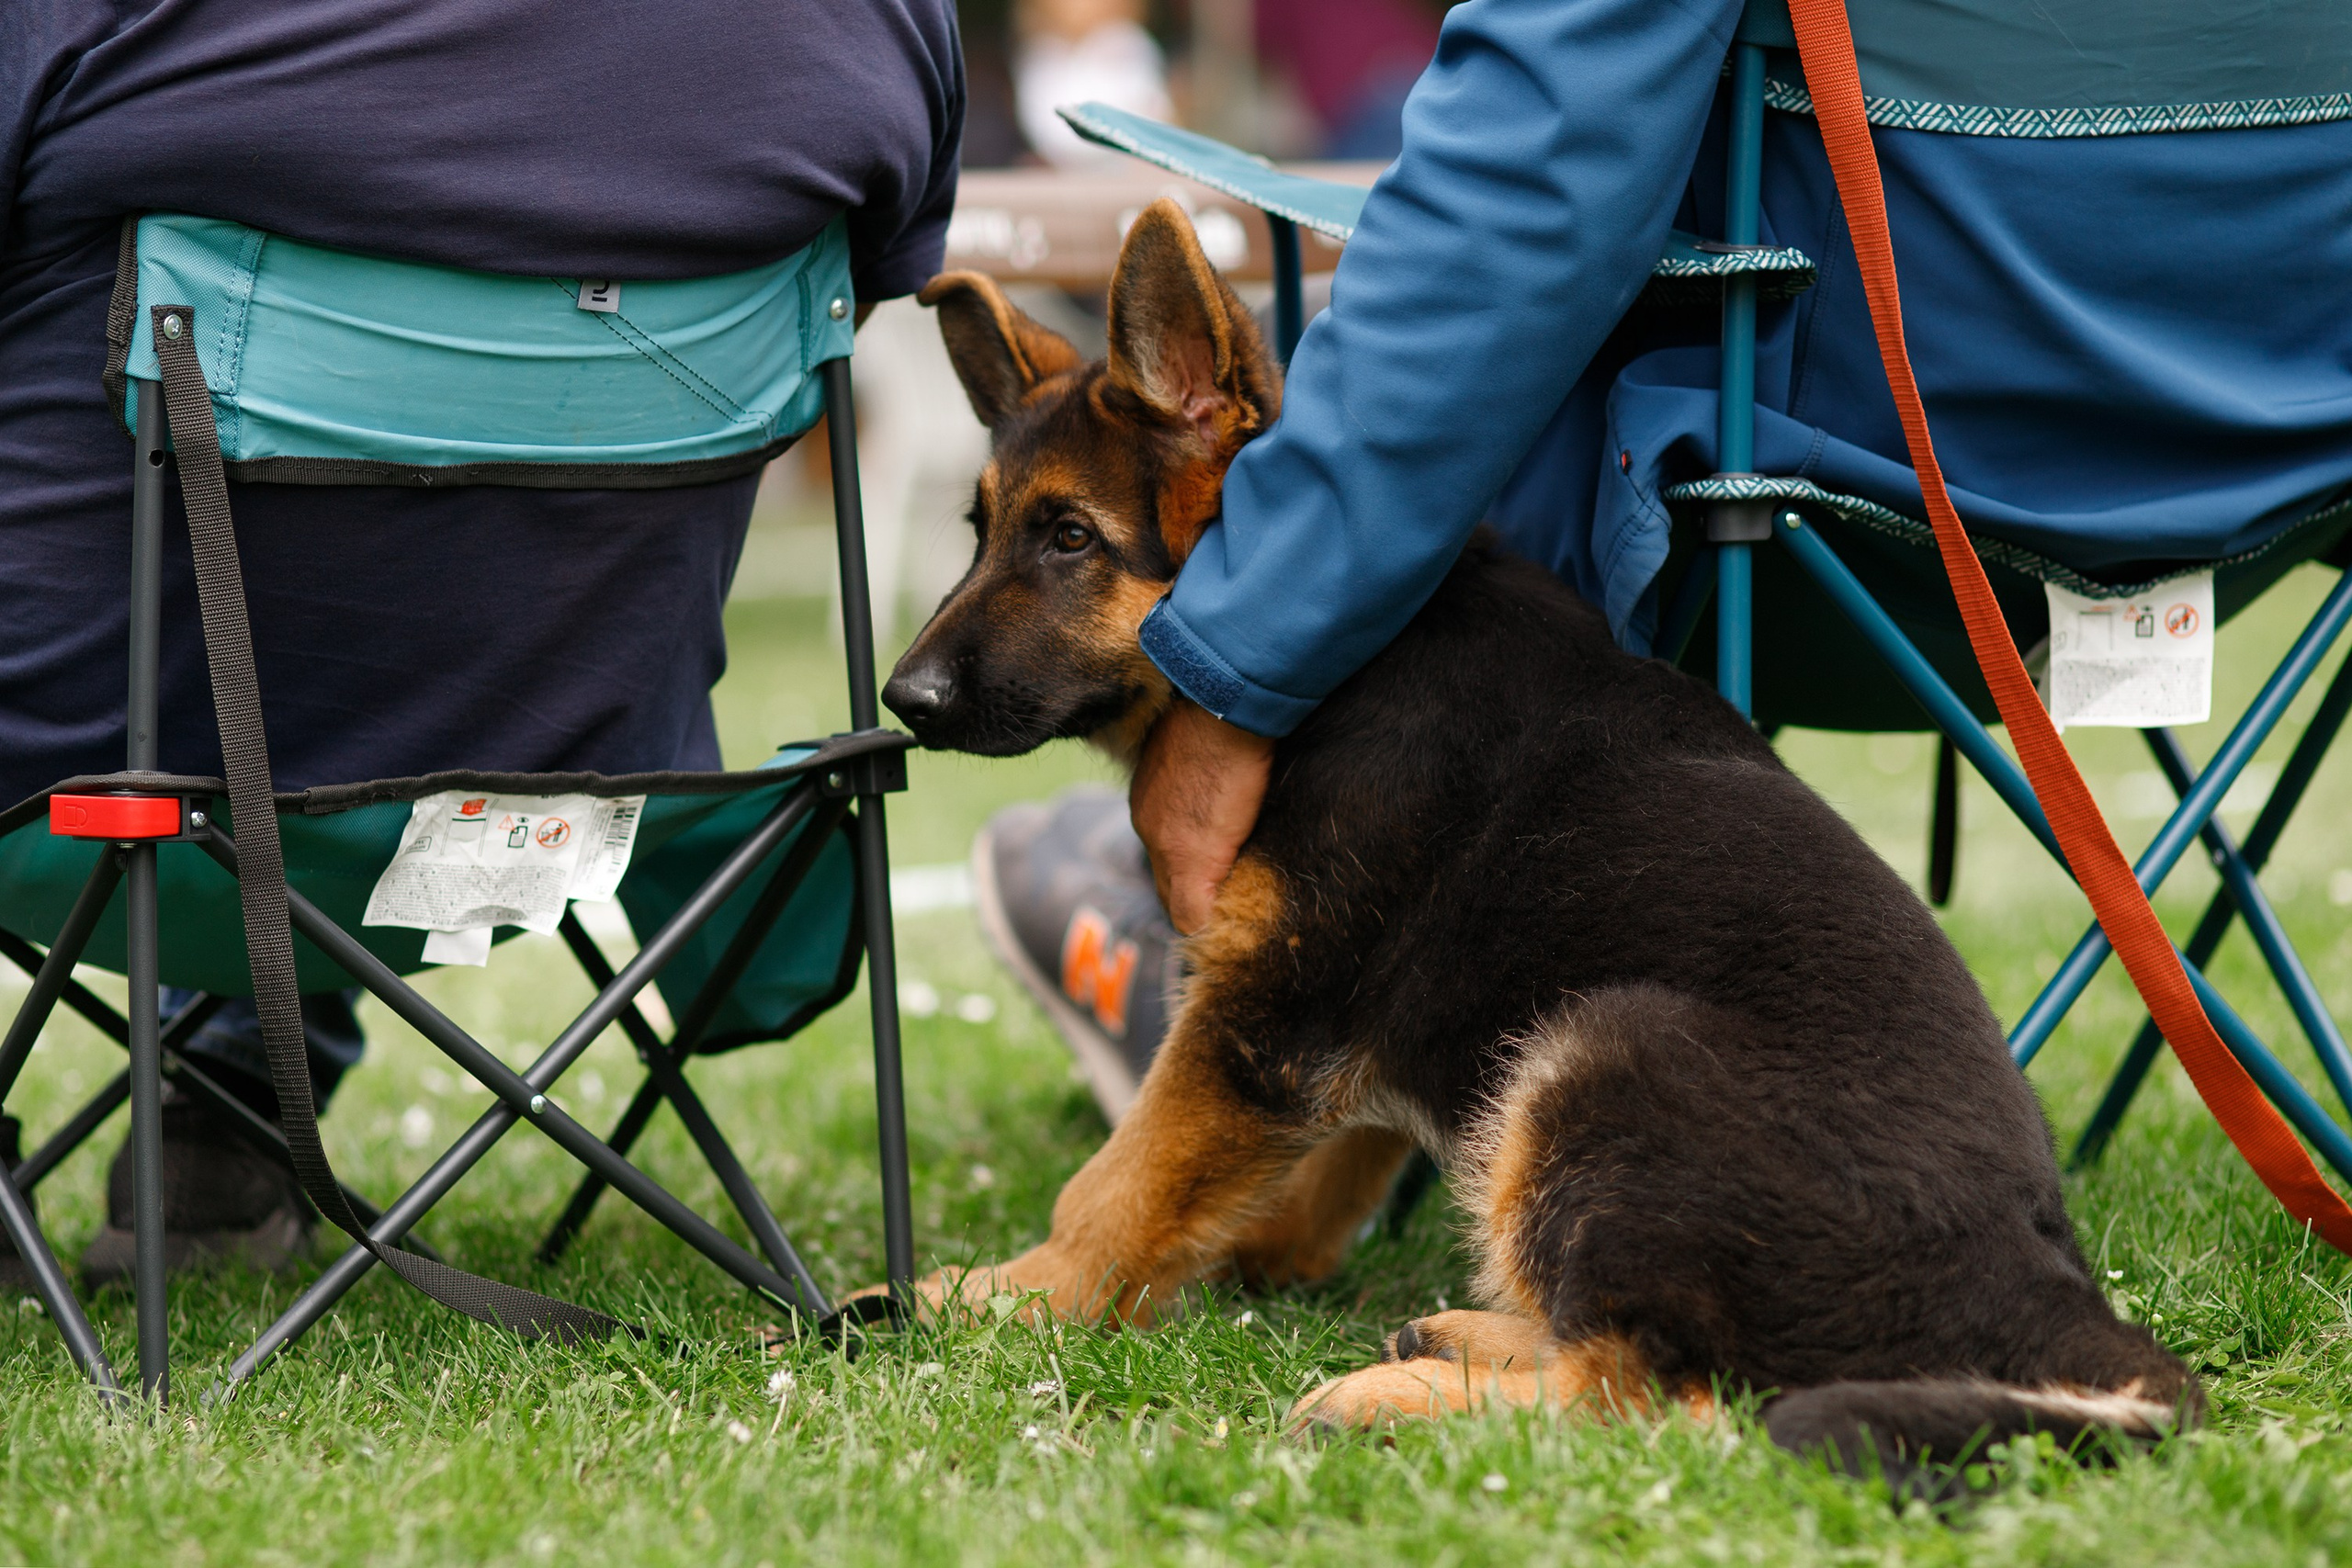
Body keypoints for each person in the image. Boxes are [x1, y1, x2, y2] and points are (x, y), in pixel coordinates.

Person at [976, 0, 2352, 1121]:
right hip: (2269, 483)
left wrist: (1237, 667)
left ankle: (1273, 948)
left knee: (1429, 447)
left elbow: (1523, 191)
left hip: (1810, 497)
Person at [1, 0, 962, 1282]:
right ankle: (228, 1091)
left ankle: (235, 1068)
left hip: (77, 808)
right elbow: (879, 262)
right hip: (587, 793)